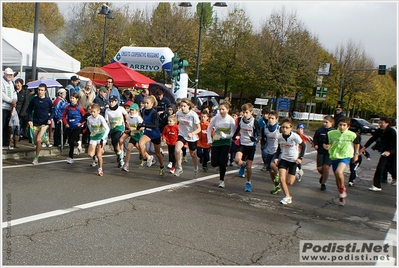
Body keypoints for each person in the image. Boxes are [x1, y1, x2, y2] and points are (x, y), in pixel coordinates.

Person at [323, 116, 360, 206]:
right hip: (334, 156)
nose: (342, 127)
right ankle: (341, 195)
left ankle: (342, 188)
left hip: (345, 156)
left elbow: (357, 144)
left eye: (344, 125)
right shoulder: (331, 133)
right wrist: (326, 146)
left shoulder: (352, 135)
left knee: (339, 172)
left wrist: (356, 154)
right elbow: (326, 143)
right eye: (340, 125)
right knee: (336, 176)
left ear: (348, 126)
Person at [273, 118, 306, 205]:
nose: (284, 129)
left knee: (289, 182)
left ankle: (298, 171)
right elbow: (279, 148)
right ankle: (287, 197)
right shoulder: (279, 137)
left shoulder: (295, 136)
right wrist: (276, 157)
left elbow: (304, 145)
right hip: (284, 159)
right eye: (283, 127)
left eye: (287, 127)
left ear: (291, 127)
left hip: (293, 160)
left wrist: (300, 158)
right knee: (281, 179)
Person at [361, 116, 396, 191]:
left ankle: (395, 177)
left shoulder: (392, 132)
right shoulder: (379, 131)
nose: (380, 124)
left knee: (393, 168)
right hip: (385, 152)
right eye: (379, 123)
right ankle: (377, 185)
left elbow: (395, 144)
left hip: (394, 152)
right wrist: (365, 147)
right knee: (380, 167)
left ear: (387, 123)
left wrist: (390, 152)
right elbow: (372, 138)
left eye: (381, 123)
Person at [206, 101, 236, 188]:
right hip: (216, 141)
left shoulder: (231, 120)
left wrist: (226, 136)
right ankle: (218, 166)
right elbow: (209, 128)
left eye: (223, 109)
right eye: (220, 109)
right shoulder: (216, 118)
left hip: (226, 142)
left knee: (222, 161)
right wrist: (209, 139)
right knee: (214, 163)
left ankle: (221, 180)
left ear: (227, 109)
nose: (221, 111)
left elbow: (233, 134)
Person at [232, 103, 261, 192]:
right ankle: (242, 164)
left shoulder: (255, 122)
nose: (244, 114)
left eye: (246, 112)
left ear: (251, 112)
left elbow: (259, 135)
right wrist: (234, 136)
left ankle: (248, 182)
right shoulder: (240, 119)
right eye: (243, 112)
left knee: (249, 167)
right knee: (237, 160)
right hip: (242, 144)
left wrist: (255, 139)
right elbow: (237, 130)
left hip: (251, 146)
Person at [137, 95, 165, 177]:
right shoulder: (143, 111)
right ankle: (145, 159)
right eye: (144, 103)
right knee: (140, 144)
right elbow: (144, 122)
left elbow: (155, 125)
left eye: (147, 103)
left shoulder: (154, 113)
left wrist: (144, 125)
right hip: (147, 133)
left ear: (152, 104)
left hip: (155, 134)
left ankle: (162, 167)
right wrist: (140, 125)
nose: (145, 104)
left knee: (157, 153)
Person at [26, 83, 54, 165]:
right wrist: (30, 119)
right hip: (35, 122)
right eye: (39, 90)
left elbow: (53, 112)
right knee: (35, 142)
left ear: (45, 91)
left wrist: (49, 119)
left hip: (44, 122)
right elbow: (29, 110)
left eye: (42, 90)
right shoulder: (34, 99)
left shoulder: (48, 100)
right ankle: (45, 139)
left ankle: (36, 158)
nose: (40, 92)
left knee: (38, 139)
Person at [174, 98, 201, 178]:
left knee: (193, 154)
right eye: (181, 106)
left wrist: (192, 133)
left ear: (189, 106)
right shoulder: (178, 113)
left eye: (184, 106)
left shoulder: (193, 115)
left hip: (192, 136)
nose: (182, 107)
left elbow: (199, 129)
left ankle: (196, 168)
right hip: (182, 134)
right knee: (177, 149)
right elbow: (177, 122)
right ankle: (179, 167)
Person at [260, 110, 281, 195]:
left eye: (272, 118)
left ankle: (279, 176)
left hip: (277, 151)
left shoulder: (279, 129)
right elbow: (262, 138)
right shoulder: (265, 128)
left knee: (273, 166)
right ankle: (276, 185)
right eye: (269, 118)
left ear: (276, 119)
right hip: (269, 151)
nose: (270, 120)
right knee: (270, 171)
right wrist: (263, 148)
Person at [105, 95, 129, 168]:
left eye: (112, 101)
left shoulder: (120, 108)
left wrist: (127, 121)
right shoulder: (107, 110)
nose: (111, 103)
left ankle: (121, 159)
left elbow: (126, 114)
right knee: (114, 144)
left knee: (116, 140)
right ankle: (120, 156)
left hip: (120, 127)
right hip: (112, 128)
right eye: (110, 101)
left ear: (116, 101)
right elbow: (106, 120)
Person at [86, 103, 110, 176]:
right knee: (90, 154)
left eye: (94, 112)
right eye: (91, 112)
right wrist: (92, 134)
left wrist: (103, 138)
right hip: (94, 137)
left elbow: (107, 129)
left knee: (99, 154)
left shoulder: (100, 118)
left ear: (98, 111)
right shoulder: (89, 119)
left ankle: (100, 170)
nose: (92, 113)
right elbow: (90, 127)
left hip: (102, 137)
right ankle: (97, 156)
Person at [62, 93, 86, 164]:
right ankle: (78, 143)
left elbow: (84, 117)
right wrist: (65, 123)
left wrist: (81, 123)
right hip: (70, 126)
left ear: (77, 99)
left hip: (77, 127)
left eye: (73, 98)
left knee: (71, 141)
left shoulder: (80, 108)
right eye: (71, 98)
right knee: (70, 142)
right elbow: (63, 116)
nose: (72, 100)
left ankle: (70, 157)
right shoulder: (67, 107)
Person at [313, 115, 335, 191]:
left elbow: (337, 142)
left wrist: (331, 145)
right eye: (324, 122)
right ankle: (324, 175)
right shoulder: (320, 130)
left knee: (326, 167)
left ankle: (323, 183)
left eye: (326, 122)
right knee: (319, 168)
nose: (325, 124)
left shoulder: (335, 131)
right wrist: (315, 144)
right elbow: (315, 138)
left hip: (330, 152)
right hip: (321, 151)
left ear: (331, 123)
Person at [121, 103, 143, 172]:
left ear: (137, 110)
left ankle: (149, 157)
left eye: (133, 110)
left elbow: (142, 128)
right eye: (130, 110)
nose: (131, 111)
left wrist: (134, 129)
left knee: (141, 149)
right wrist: (128, 130)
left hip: (139, 135)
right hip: (133, 135)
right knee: (128, 149)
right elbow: (129, 126)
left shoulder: (138, 118)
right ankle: (126, 165)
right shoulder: (128, 117)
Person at [2, 67, 17, 149]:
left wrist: (14, 100)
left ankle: (5, 143)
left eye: (11, 74)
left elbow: (14, 93)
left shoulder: (11, 83)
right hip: (3, 107)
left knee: (8, 126)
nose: (10, 76)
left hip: (10, 108)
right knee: (3, 125)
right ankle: (3, 143)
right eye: (8, 74)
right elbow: (2, 94)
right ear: (5, 74)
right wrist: (11, 101)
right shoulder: (1, 82)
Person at [14, 79, 29, 147]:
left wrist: (22, 113)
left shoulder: (25, 92)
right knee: (11, 127)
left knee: (18, 127)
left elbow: (26, 103)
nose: (17, 85)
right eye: (16, 83)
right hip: (13, 111)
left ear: (22, 84)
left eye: (19, 83)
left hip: (20, 113)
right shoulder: (13, 91)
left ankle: (16, 141)